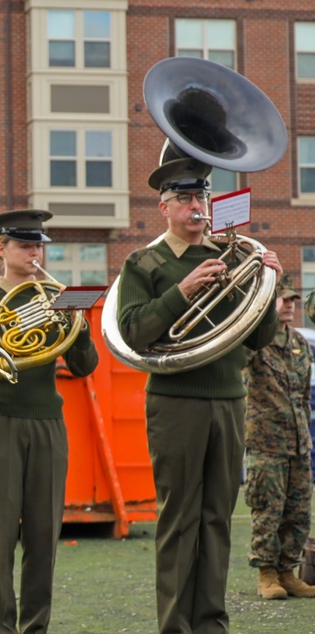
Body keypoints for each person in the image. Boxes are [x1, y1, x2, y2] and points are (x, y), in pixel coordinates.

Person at [115, 157, 281, 633]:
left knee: (218, 520)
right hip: (176, 402)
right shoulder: (143, 262)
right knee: (179, 520)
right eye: (185, 198)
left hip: (229, 400)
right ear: (163, 207)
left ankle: (211, 623)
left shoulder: (234, 256)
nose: (197, 206)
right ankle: (175, 626)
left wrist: (267, 284)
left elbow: (258, 337)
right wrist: (182, 291)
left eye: (202, 197)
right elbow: (133, 333)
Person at [0, 209, 98, 634]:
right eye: (25, 245)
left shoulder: (56, 298)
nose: (34, 252)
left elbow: (85, 367)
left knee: (43, 540)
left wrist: (78, 325)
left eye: (38, 245)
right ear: (0, 248)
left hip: (48, 424)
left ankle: (36, 629)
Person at [243, 275, 315, 599]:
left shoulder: (300, 344)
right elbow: (238, 366)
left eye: (292, 300)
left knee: (299, 511)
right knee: (267, 510)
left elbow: (302, 396)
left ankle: (288, 572)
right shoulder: (255, 341)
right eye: (283, 299)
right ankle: (267, 574)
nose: (289, 305)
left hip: (299, 442)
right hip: (266, 442)